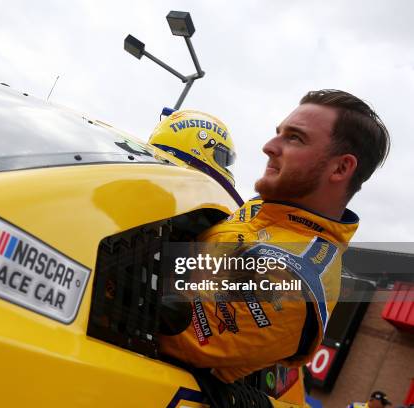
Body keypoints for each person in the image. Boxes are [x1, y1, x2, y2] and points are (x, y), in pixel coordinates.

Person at [159, 89, 390, 383]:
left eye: (295, 138)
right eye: (278, 133)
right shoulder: (265, 209)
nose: (268, 146)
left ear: (341, 167)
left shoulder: (295, 278)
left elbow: (172, 337)